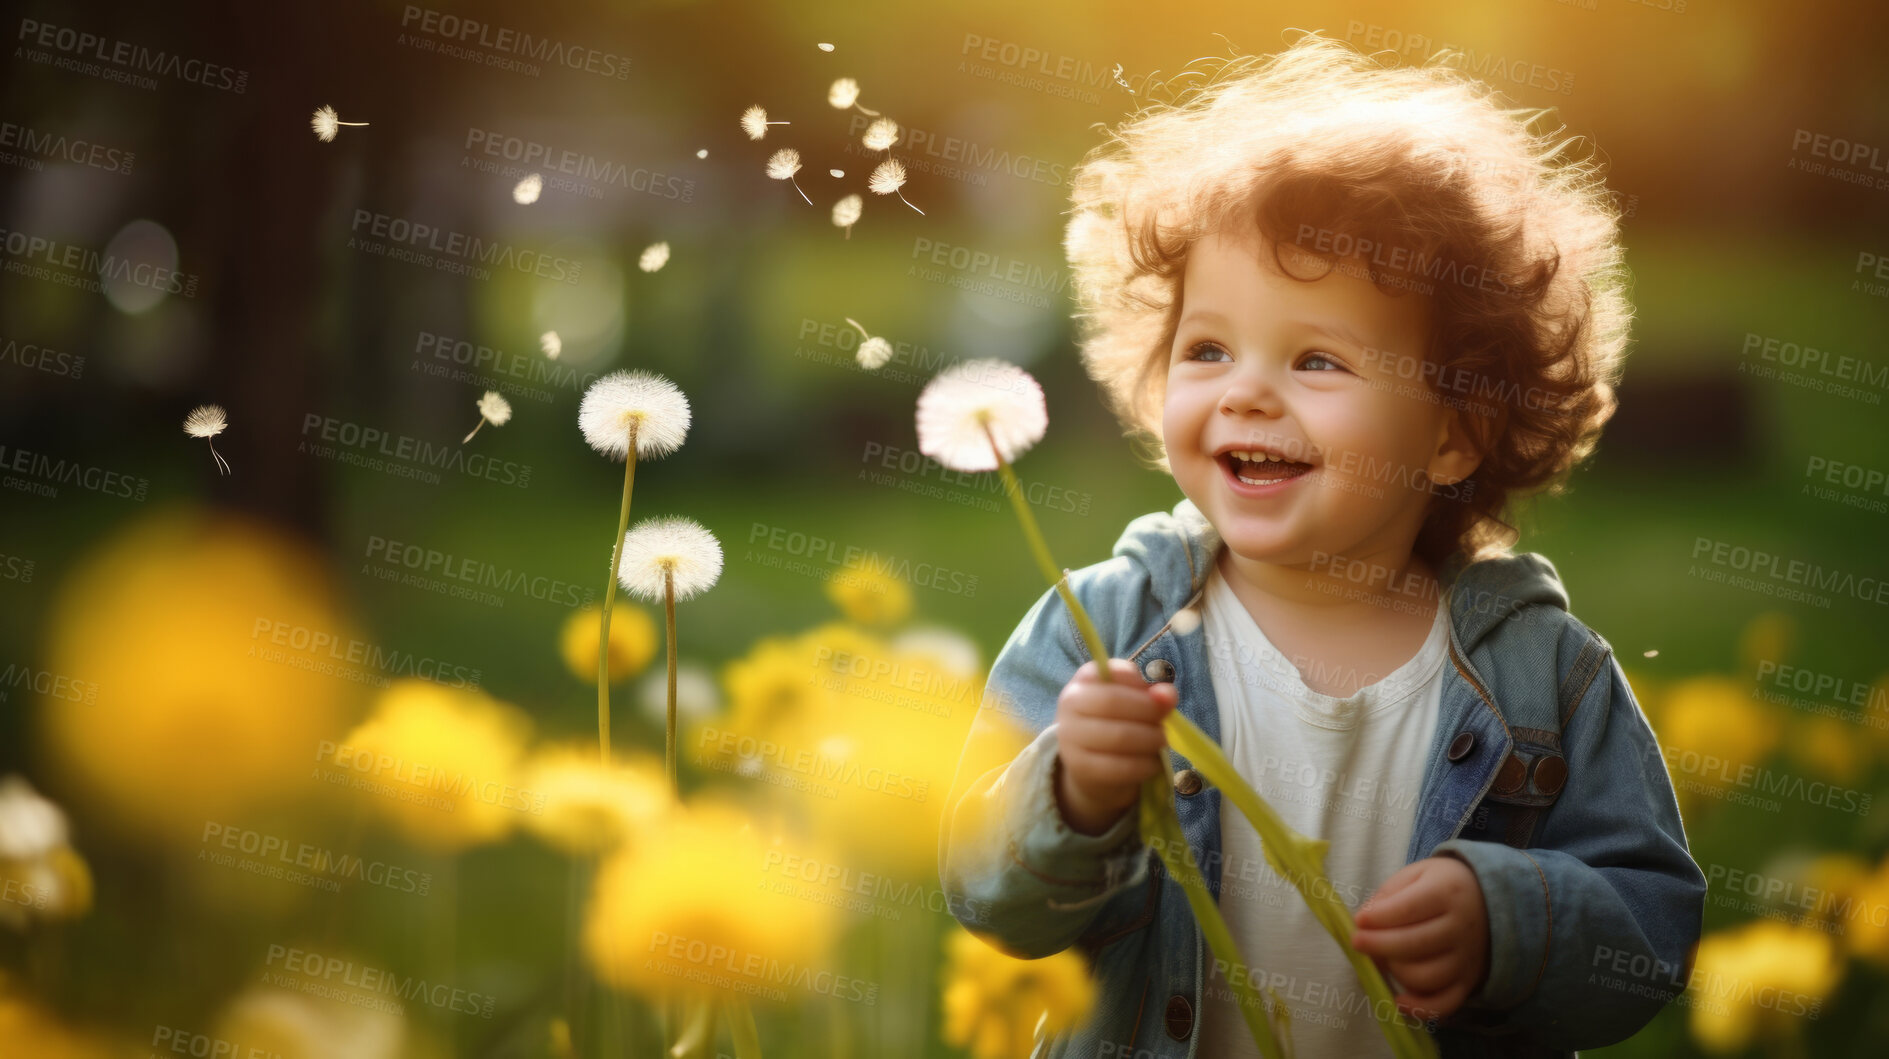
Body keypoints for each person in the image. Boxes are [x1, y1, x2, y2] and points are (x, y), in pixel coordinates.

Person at [938, 30, 1705, 1059]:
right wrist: (1071, 790)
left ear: (1451, 433)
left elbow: (1650, 932)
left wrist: (1507, 921)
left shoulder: (1544, 677)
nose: (1245, 389)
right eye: (1206, 347)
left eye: (1315, 359)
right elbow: (986, 897)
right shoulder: (1108, 628)